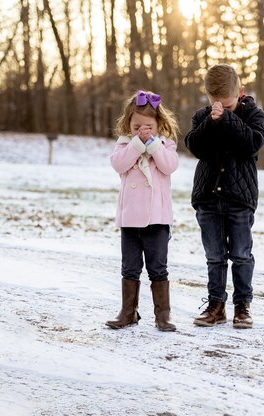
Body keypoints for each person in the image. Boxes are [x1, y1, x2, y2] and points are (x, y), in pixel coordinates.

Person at [184, 64, 264, 329]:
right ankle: (216, 304)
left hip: (239, 199)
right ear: (208, 97)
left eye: (229, 106)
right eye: (216, 105)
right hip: (208, 197)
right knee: (214, 256)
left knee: (241, 254)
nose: (222, 109)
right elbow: (195, 147)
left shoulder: (253, 114)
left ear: (240, 93)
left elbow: (252, 144)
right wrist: (211, 122)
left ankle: (242, 305)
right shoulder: (202, 116)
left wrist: (229, 119)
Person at [106, 90, 180, 332]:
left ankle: (163, 315)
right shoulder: (125, 145)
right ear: (129, 124)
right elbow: (119, 164)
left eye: (148, 126)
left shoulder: (165, 145)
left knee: (158, 267)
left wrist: (153, 145)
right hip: (130, 218)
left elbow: (169, 167)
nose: (142, 130)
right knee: (129, 266)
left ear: (159, 125)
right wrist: (138, 144)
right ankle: (128, 311)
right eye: (137, 125)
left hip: (157, 219)